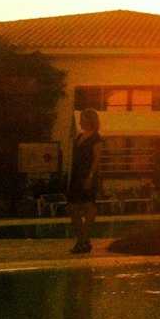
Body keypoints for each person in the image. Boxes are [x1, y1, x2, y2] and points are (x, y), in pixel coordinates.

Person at [68, 108, 103, 254]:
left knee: (88, 206)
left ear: (90, 120)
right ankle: (84, 239)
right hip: (77, 175)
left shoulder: (96, 138)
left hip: (88, 175)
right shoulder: (79, 137)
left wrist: (90, 177)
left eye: (83, 118)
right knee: (72, 207)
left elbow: (96, 159)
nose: (80, 121)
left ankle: (82, 241)